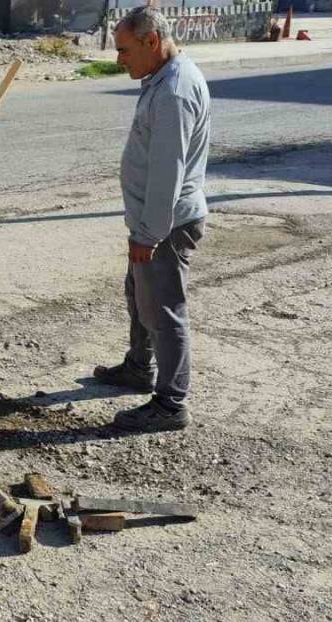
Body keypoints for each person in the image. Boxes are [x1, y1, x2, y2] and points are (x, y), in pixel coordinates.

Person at [94, 6, 211, 430]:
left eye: (124, 50)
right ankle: (138, 367)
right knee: (139, 297)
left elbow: (167, 173)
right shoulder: (162, 78)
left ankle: (171, 404)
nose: (119, 59)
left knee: (163, 311)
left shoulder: (173, 92)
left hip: (164, 224)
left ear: (151, 41)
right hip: (153, 220)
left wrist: (148, 234)